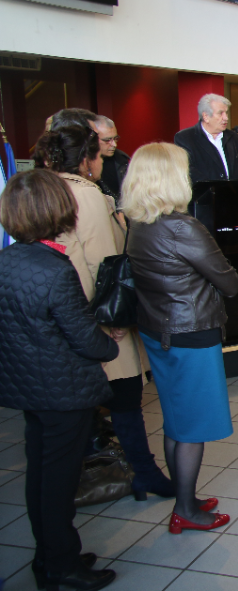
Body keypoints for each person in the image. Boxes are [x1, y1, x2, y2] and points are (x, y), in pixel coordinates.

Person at [36, 126, 175, 501]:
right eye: (99, 154)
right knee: (126, 395)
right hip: (96, 316)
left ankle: (79, 476)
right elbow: (99, 263)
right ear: (85, 158)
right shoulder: (86, 194)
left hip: (58, 316)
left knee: (79, 406)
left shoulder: (42, 187)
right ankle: (142, 472)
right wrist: (105, 320)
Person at [0, 169, 120, 591]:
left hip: (28, 387)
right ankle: (61, 566)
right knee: (59, 483)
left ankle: (50, 556)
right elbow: (85, 339)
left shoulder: (8, 261)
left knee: (41, 476)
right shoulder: (54, 269)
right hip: (63, 391)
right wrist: (111, 347)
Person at [122, 143, 238, 535]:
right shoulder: (182, 227)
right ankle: (186, 509)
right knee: (192, 428)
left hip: (158, 331)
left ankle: (184, 495)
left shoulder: (137, 224)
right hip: (191, 333)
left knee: (176, 418)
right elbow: (229, 282)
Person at [173, 93, 238, 184]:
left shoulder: (232, 136)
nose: (226, 118)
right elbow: (189, 170)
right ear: (206, 117)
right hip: (204, 196)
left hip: (234, 195)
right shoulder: (185, 138)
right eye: (220, 113)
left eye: (226, 113)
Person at [93, 115, 130, 199]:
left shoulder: (122, 159)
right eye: (107, 140)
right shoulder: (83, 166)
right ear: (92, 140)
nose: (114, 144)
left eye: (115, 138)